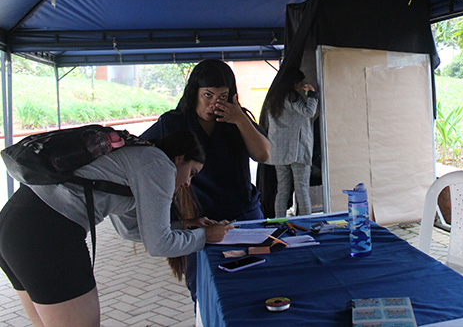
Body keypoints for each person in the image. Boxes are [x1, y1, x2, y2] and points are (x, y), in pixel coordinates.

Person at [0, 129, 234, 327]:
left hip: (14, 227)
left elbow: (129, 230)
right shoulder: (159, 165)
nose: (187, 184)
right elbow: (158, 244)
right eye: (191, 173)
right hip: (47, 233)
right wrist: (205, 236)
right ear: (179, 158)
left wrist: (185, 225)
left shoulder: (136, 156)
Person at [140, 59, 270, 300]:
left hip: (243, 215)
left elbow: (264, 154)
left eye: (223, 96)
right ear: (194, 93)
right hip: (199, 219)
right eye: (208, 95)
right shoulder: (174, 122)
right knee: (205, 291)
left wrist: (240, 119)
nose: (214, 104)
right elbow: (142, 154)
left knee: (254, 282)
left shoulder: (237, 120)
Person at [265, 68, 319, 217]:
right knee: (302, 190)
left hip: (278, 151)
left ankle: (280, 222)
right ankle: (306, 224)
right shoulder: (292, 97)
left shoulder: (273, 99)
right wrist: (312, 94)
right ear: (293, 83)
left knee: (282, 190)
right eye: (300, 83)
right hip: (297, 150)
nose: (300, 86)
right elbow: (309, 112)